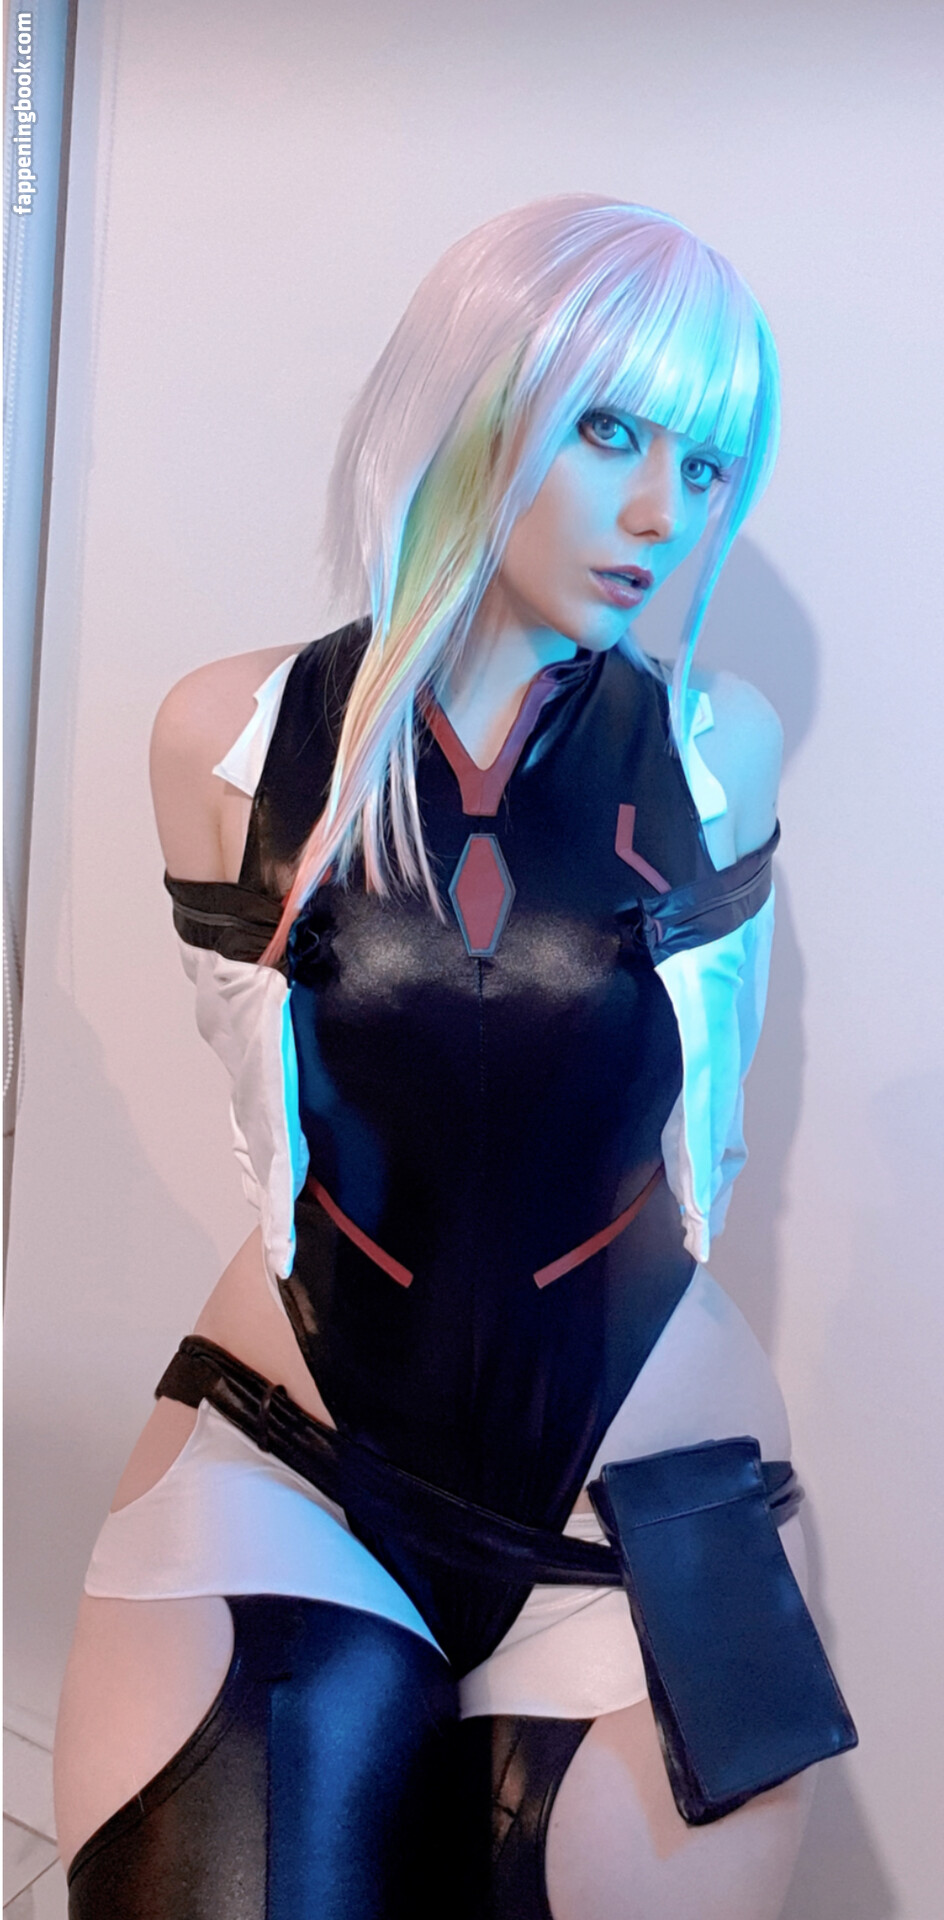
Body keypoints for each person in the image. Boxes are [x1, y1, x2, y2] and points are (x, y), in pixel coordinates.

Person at [53, 194, 825, 1918]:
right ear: (473, 400)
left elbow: (693, 1139)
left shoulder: (719, 751)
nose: (663, 512)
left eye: (707, 466)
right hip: (294, 1454)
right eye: (610, 430)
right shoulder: (228, 737)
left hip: (647, 1493)